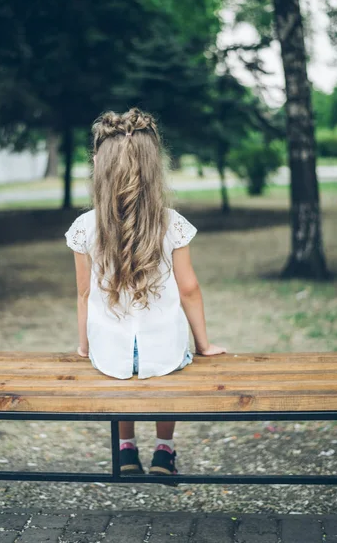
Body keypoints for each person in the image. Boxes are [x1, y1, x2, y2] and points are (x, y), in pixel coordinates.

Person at [64, 107, 226, 479]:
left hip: (109, 353)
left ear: (98, 169)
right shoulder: (171, 222)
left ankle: (125, 450)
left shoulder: (85, 227)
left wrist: (86, 347)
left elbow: (84, 293)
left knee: (121, 369)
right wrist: (202, 344)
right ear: (154, 170)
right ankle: (164, 451)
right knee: (166, 368)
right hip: (164, 350)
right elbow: (189, 289)